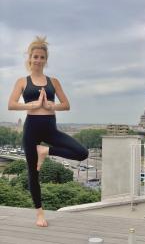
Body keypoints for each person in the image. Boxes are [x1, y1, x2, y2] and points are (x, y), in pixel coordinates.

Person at [8, 36, 88, 227]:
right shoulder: (22, 81)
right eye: (35, 56)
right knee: (32, 173)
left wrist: (52, 106)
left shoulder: (53, 82)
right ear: (30, 58)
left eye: (42, 57)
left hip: (50, 128)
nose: (38, 60)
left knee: (82, 153)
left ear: (46, 59)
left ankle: (45, 151)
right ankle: (39, 214)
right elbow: (11, 104)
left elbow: (66, 105)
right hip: (31, 129)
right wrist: (33, 104)